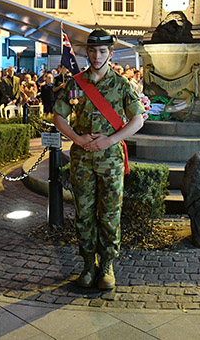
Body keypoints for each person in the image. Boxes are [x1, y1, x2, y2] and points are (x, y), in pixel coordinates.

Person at [53, 29, 145, 290]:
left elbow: (137, 119)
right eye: (92, 50)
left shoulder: (121, 85)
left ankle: (106, 265)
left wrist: (110, 140)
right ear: (87, 52)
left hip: (110, 160)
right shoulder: (75, 83)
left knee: (110, 215)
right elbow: (58, 116)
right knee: (84, 214)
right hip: (82, 159)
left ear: (111, 54)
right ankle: (86, 264)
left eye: (103, 51)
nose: (97, 56)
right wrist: (78, 139)